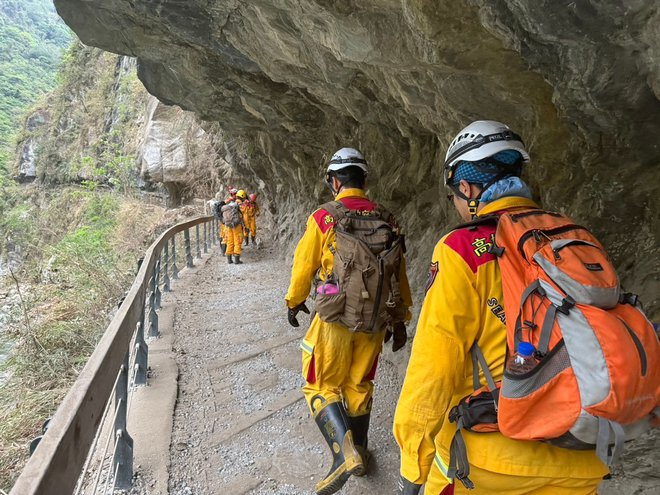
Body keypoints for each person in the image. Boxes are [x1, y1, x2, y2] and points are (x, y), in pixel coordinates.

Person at [393, 121, 609, 495]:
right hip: (585, 453)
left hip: (493, 460)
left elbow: (433, 368)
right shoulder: (577, 237)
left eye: (455, 197)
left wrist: (413, 463)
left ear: (466, 188)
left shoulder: (462, 249)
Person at [285, 147, 413, 495]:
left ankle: (343, 455)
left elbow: (304, 265)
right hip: (374, 322)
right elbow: (397, 273)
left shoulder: (325, 216)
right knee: (359, 384)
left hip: (334, 316)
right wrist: (399, 319)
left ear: (335, 181)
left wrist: (294, 302)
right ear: (364, 180)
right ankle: (362, 449)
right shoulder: (388, 218)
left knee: (319, 384)